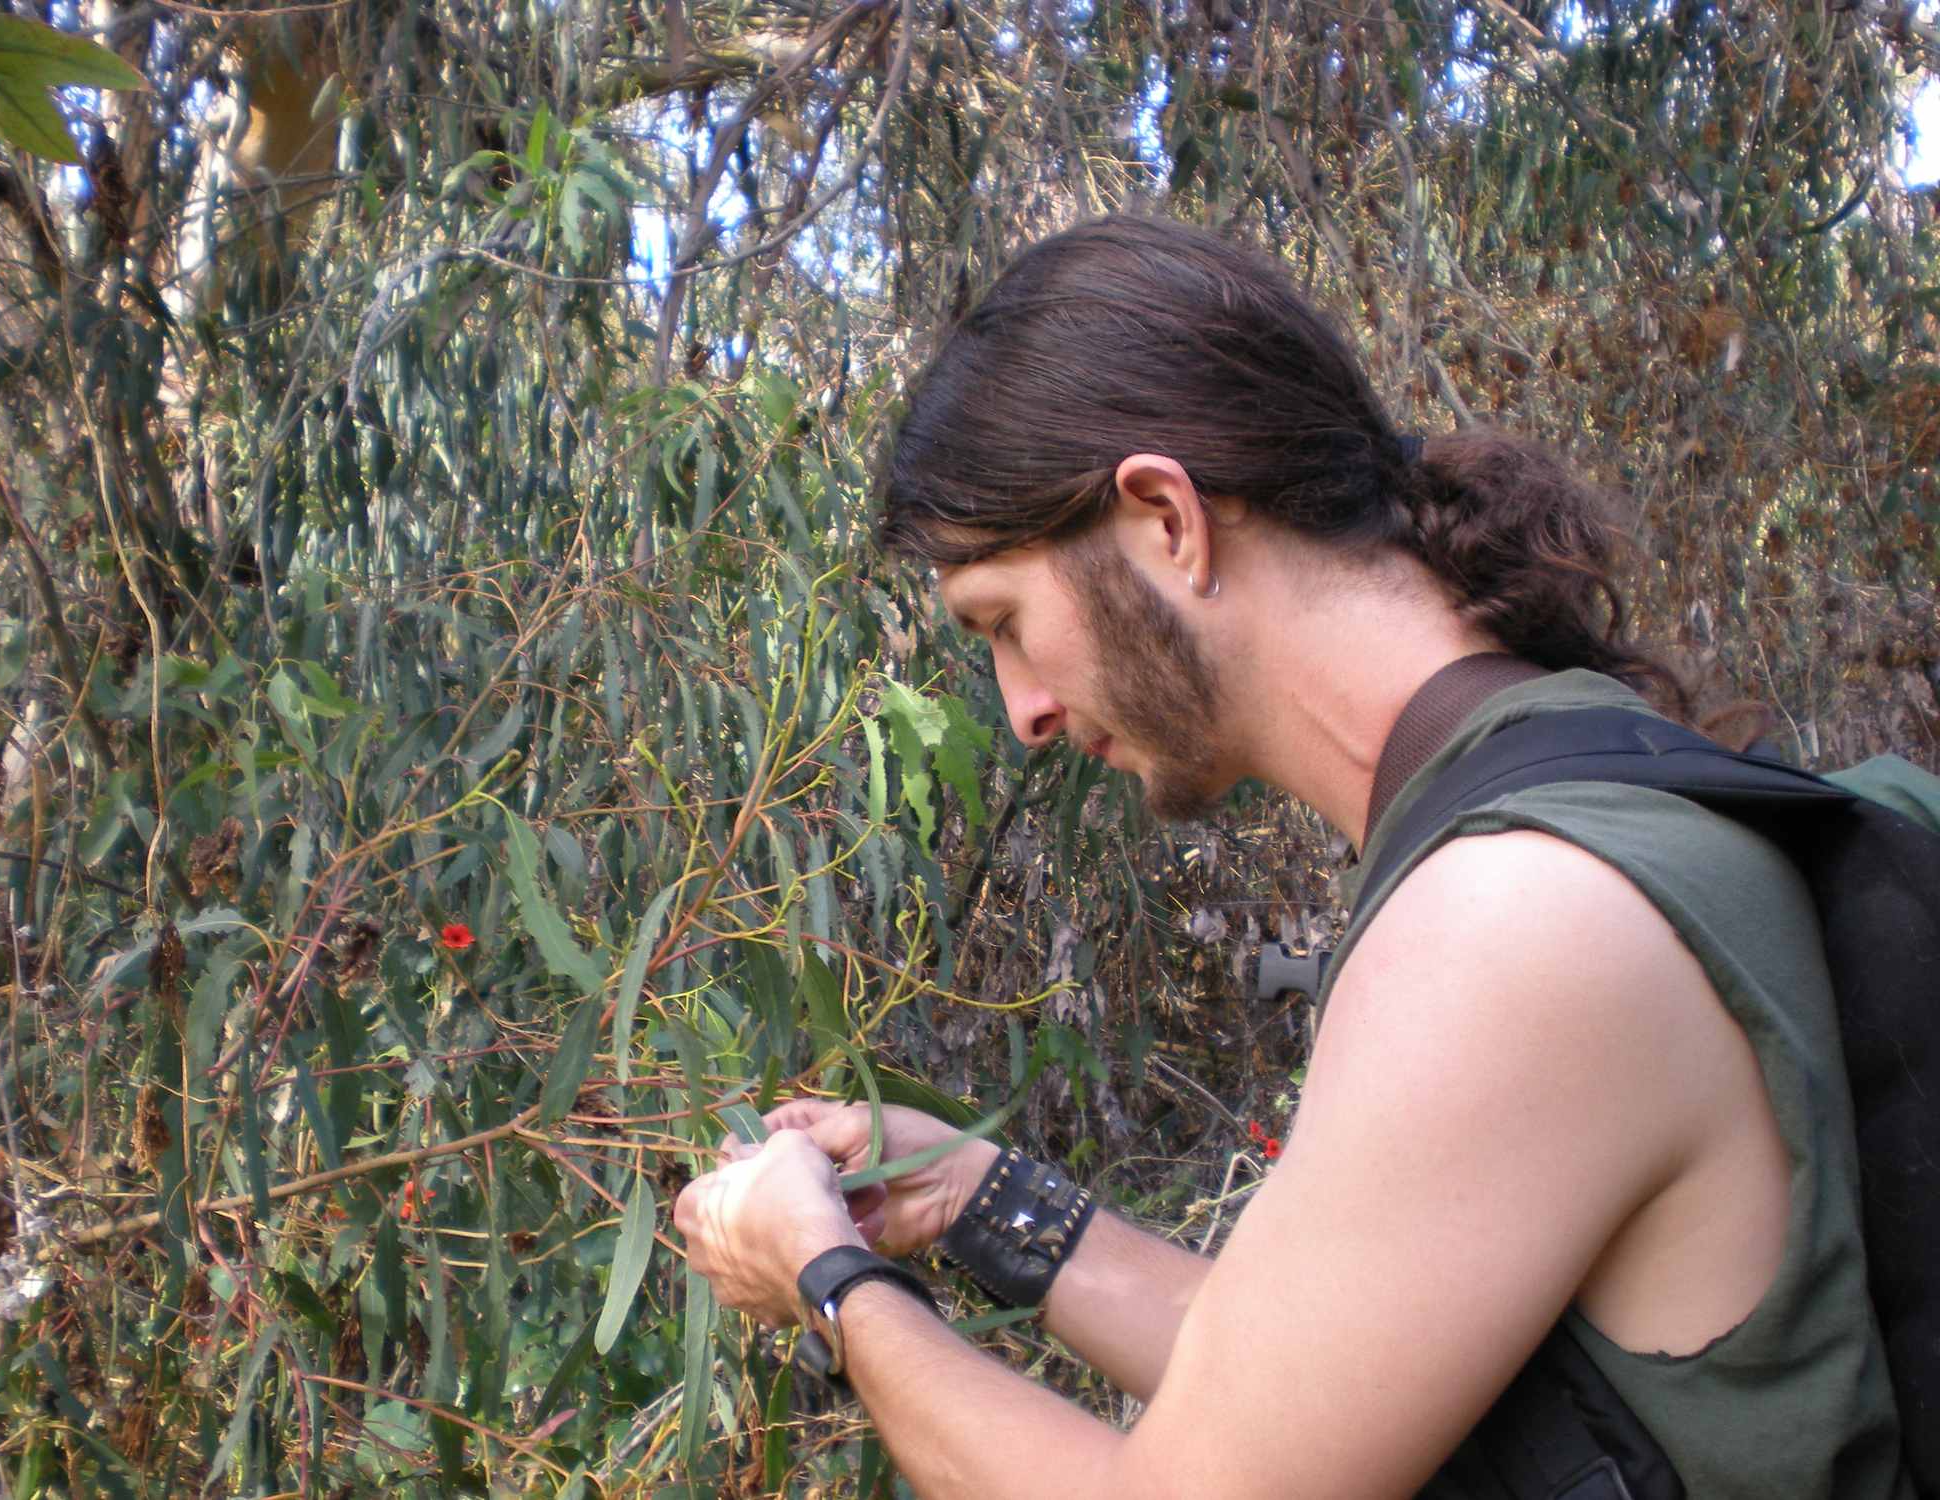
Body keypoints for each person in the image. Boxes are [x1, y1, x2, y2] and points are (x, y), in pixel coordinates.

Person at [672, 216, 1910, 1499]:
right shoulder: (1572, 787)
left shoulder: (1512, 920)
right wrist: (967, 1195)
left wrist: (828, 1281)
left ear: (1166, 518)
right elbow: (1302, 1386)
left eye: (1006, 623)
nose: (1023, 709)